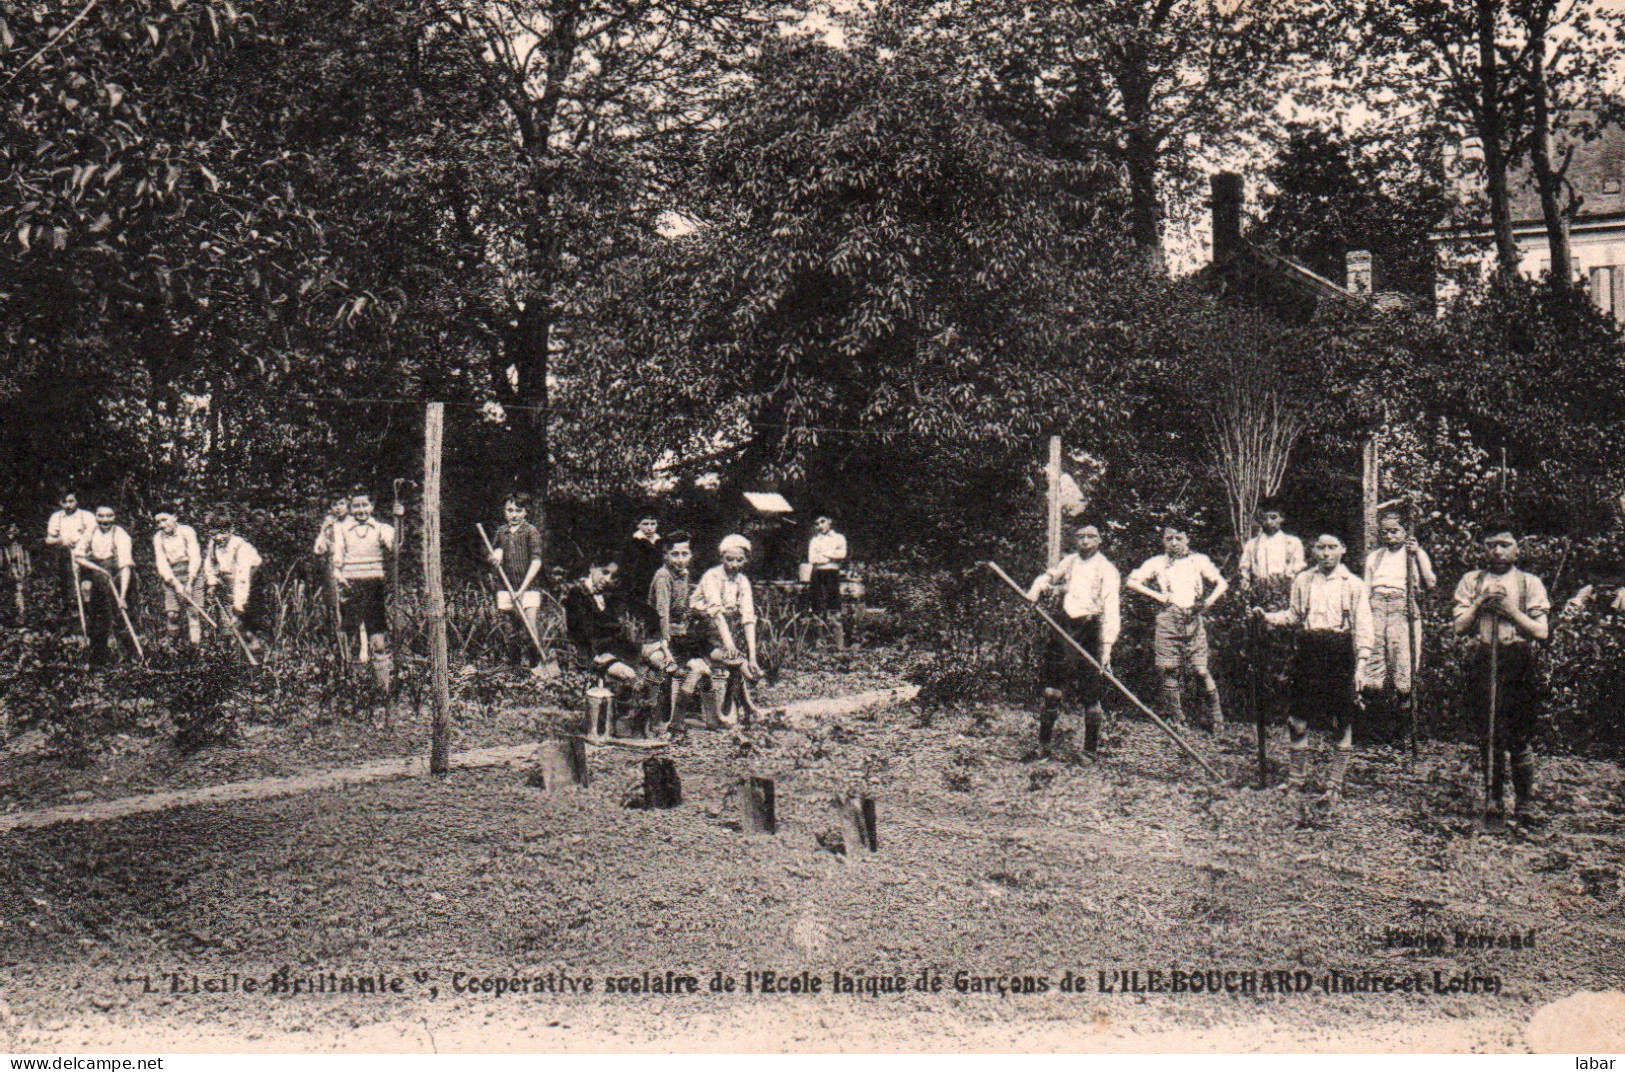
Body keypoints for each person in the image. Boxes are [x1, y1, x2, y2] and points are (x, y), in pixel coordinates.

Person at [1255, 534, 1375, 802]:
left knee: (1341, 721)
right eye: (1320, 547)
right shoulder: (1303, 580)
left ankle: (1335, 785)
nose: (1326, 553)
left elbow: (1364, 627)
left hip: (1339, 651)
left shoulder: (1353, 585)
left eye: (1332, 547)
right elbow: (1294, 615)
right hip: (1308, 650)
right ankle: (1296, 780)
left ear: (1343, 549)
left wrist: (1362, 666)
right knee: (1297, 720)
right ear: (1313, 549)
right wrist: (1267, 618)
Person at [1452, 519, 1551, 825]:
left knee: (1519, 734)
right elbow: (1458, 627)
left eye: (1505, 544)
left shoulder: (1529, 583)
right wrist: (1481, 602)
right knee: (1489, 733)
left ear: (1517, 548)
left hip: (1518, 660)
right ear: (1482, 548)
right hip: (1485, 660)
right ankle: (1493, 799)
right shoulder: (1472, 580)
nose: (1497, 551)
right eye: (1491, 544)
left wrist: (1510, 611)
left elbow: (1541, 631)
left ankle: (1524, 803)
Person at [1026, 520, 1120, 754]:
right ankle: (1043, 746)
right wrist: (1036, 588)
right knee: (1052, 690)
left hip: (1091, 631)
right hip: (1064, 627)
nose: (1085, 541)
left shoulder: (1106, 569)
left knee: (1090, 694)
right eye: (1081, 537)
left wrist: (1107, 648)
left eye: (1091, 536)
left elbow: (1111, 609)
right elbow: (1049, 577)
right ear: (1075, 540)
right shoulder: (1070, 562)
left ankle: (1089, 752)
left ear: (1099, 541)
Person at [1126, 523, 1228, 731]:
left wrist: (1208, 602)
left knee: (1200, 670)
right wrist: (1159, 596)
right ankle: (1177, 718)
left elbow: (1222, 583)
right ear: (1163, 541)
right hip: (1168, 617)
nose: (1174, 543)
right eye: (1169, 538)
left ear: (1187, 539)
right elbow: (1131, 581)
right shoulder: (1157, 563)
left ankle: (1217, 717)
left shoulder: (1198, 561)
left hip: (1193, 617)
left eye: (1178, 538)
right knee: (1168, 668)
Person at [1363, 509, 1437, 738]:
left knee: (1402, 662)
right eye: (1385, 532)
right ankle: (1371, 728)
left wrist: (1416, 555)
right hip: (1376, 607)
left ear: (1405, 532)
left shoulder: (1413, 553)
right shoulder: (1375, 557)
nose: (1390, 536)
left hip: (1401, 606)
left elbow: (1430, 582)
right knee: (1372, 663)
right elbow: (1366, 589)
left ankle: (1403, 731)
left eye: (1395, 531)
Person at [1239, 500, 1305, 731]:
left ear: (1282, 519)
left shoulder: (1291, 543)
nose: (1269, 522)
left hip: (1283, 597)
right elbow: (1245, 572)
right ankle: (1261, 712)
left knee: (1283, 654)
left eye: (1274, 517)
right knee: (1260, 653)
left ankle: (1284, 711)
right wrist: (1248, 596)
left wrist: (1283, 590)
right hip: (1260, 597)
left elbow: (1296, 571)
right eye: (1265, 517)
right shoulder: (1252, 544)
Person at [647, 531, 717, 731]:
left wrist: (700, 613)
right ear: (665, 555)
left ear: (690, 555)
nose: (680, 559)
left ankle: (713, 719)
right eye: (675, 554)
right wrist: (666, 647)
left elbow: (683, 608)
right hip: (663, 637)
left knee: (704, 670)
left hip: (682, 635)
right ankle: (677, 720)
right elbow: (661, 614)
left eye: (684, 553)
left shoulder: (682, 576)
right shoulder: (663, 577)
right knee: (697, 669)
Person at [692, 534, 763, 725]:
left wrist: (753, 656)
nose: (734, 564)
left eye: (739, 559)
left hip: (724, 628)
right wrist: (730, 646)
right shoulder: (712, 576)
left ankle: (745, 704)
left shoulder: (743, 581)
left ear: (746, 559)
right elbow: (715, 613)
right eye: (729, 559)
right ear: (721, 558)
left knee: (736, 658)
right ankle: (747, 700)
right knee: (734, 659)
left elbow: (748, 618)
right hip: (700, 627)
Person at [332, 488, 397, 692]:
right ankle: (346, 685)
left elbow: (396, 546)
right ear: (351, 509)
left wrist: (399, 520)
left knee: (377, 637)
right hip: (350, 584)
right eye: (356, 506)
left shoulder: (381, 528)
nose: (360, 510)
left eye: (364, 505)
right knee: (347, 636)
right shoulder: (342, 530)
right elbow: (337, 559)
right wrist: (340, 581)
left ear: (372, 506)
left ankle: (382, 687)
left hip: (373, 585)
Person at [73, 503, 135, 665]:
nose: (105, 520)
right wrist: (98, 569)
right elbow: (78, 556)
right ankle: (98, 656)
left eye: (109, 516)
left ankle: (127, 657)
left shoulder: (121, 535)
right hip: (98, 575)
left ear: (114, 517)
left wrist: (122, 596)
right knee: (97, 615)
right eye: (101, 516)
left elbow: (126, 566)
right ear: (96, 516)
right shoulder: (91, 531)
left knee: (119, 615)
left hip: (119, 577)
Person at [488, 494, 545, 666]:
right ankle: (515, 667)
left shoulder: (531, 532)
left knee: (530, 627)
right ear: (504, 511)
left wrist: (521, 590)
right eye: (510, 510)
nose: (514, 515)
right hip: (506, 587)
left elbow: (536, 562)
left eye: (518, 511)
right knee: (510, 628)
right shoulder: (501, 532)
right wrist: (496, 556)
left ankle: (536, 665)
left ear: (526, 512)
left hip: (528, 588)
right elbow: (496, 550)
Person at [204, 513, 266, 652]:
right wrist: (212, 582)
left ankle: (254, 646)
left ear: (231, 530)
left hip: (250, 579)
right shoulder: (213, 544)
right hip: (229, 578)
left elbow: (242, 580)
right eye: (214, 534)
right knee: (226, 614)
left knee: (245, 614)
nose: (218, 538)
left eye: (222, 533)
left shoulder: (241, 548)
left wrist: (238, 609)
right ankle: (229, 648)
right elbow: (210, 563)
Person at [151, 505, 204, 647]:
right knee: (172, 613)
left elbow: (195, 555)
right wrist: (175, 583)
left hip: (192, 573)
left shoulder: (186, 531)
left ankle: (195, 646)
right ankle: (172, 645)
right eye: (158, 522)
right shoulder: (158, 538)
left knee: (193, 612)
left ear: (174, 517)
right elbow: (161, 562)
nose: (162, 525)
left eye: (164, 520)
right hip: (172, 576)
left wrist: (190, 581)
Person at [44, 491, 96, 629]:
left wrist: (80, 542)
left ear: (76, 501)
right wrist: (61, 540)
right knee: (70, 589)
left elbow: (94, 534)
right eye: (64, 502)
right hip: (66, 557)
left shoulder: (86, 516)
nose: (68, 505)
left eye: (71, 501)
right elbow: (49, 539)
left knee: (87, 587)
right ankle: (76, 623)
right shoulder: (57, 517)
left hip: (86, 556)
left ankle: (91, 616)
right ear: (60, 503)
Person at [807, 513, 849, 647]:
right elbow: (812, 559)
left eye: (822, 521)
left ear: (830, 521)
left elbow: (842, 554)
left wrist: (823, 554)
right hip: (817, 573)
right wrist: (831, 556)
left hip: (832, 573)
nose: (820, 525)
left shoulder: (838, 538)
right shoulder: (815, 540)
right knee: (818, 606)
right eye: (817, 523)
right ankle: (820, 643)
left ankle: (838, 645)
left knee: (834, 605)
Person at [623, 516, 664, 611]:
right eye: (645, 524)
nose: (649, 528)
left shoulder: (660, 542)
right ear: (638, 525)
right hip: (640, 585)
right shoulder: (633, 542)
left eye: (653, 524)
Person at [5, 524, 32, 623]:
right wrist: (14, 573)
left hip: (22, 573)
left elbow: (26, 558)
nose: (9, 535)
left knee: (23, 591)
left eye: (11, 533)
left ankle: (24, 613)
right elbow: (10, 562)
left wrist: (27, 568)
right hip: (14, 575)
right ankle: (21, 613)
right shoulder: (7, 548)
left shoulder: (21, 547)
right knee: (18, 592)